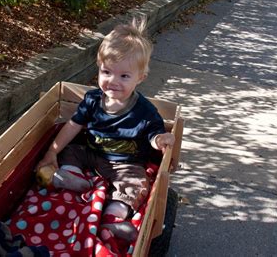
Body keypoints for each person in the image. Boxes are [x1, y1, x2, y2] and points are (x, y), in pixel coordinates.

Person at [36, 17, 175, 242]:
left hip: (126, 164)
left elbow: (153, 134)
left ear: (141, 78)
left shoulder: (145, 111)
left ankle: (113, 218)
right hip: (92, 154)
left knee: (136, 184)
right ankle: (72, 176)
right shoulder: (92, 100)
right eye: (107, 72)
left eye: (124, 76)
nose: (113, 81)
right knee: (70, 151)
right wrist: (52, 151)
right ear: (99, 68)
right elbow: (73, 125)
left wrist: (159, 140)